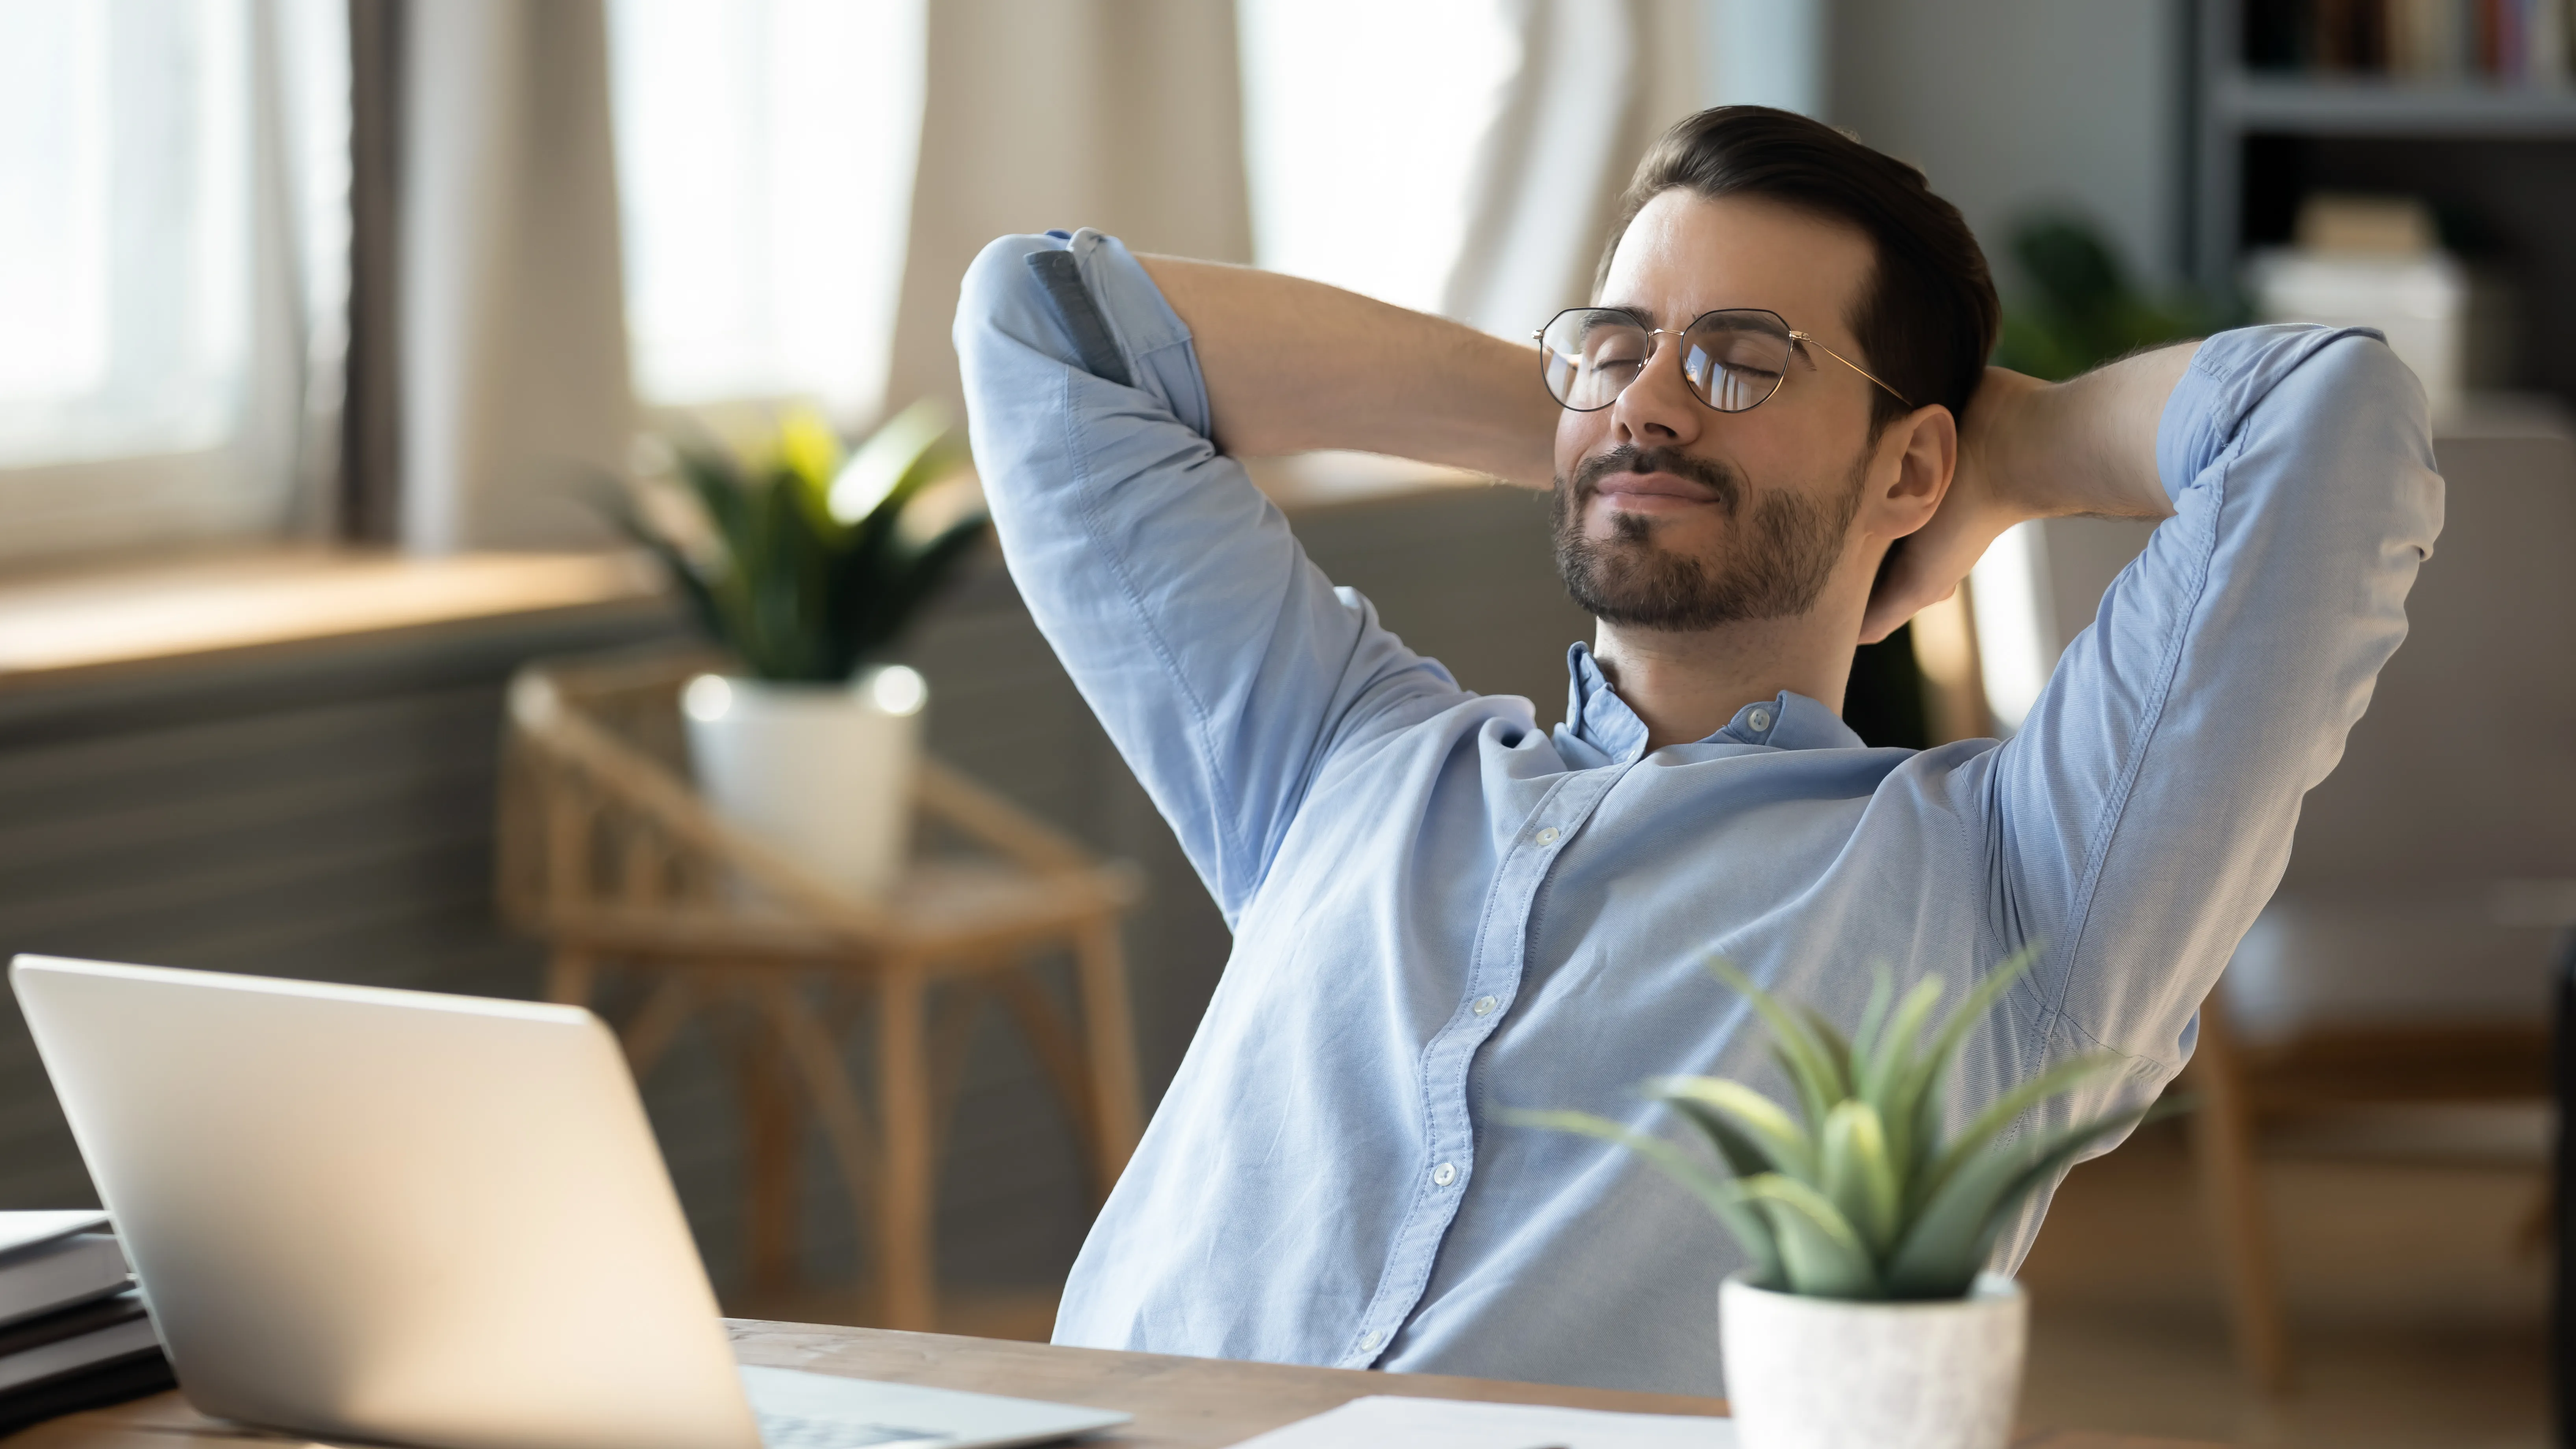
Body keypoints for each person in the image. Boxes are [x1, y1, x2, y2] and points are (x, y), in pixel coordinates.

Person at [951, 106, 2441, 1395]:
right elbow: (1045, 323)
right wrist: (1607, 432)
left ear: (1912, 461)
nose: (1655, 396)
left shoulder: (2017, 886)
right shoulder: (1340, 755)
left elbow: (2328, 417)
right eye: (1608, 345)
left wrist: (2001, 457)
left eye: (1744, 358)